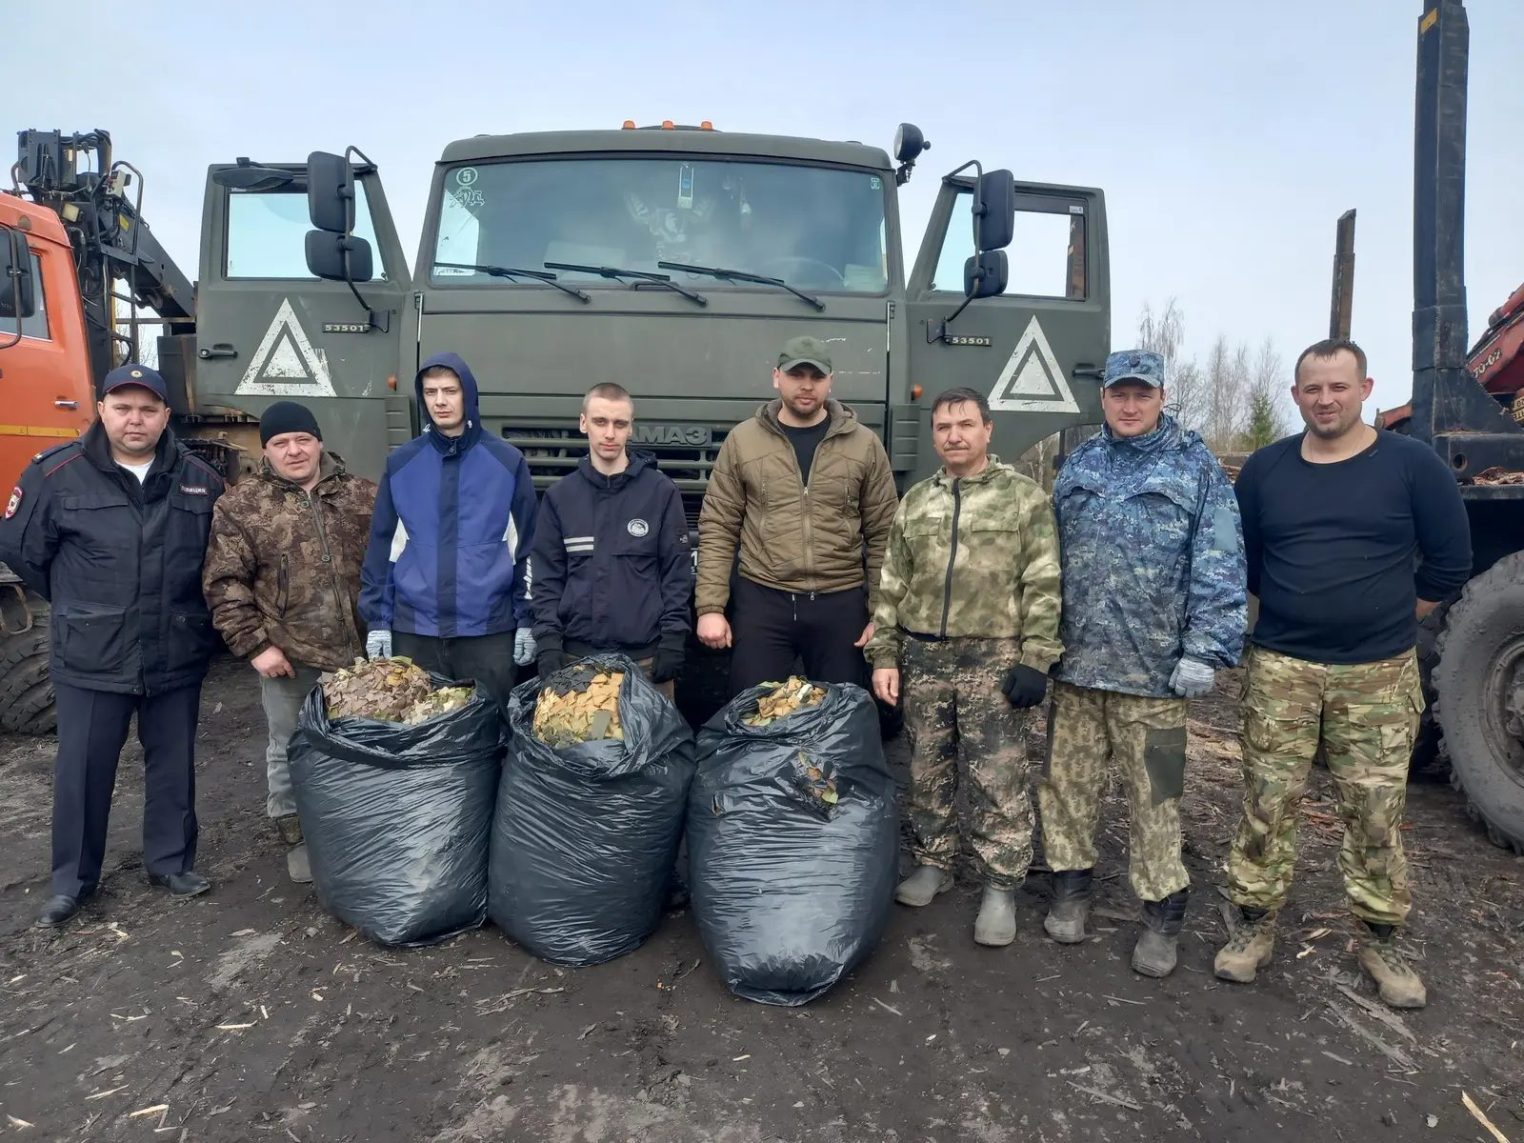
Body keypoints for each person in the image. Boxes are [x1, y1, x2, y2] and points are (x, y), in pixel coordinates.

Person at [1217, 338, 1471, 1009]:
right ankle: (1252, 925)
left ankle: (1380, 938)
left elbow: (1449, 563)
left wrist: (1383, 616)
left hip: (1377, 676)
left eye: (1339, 386)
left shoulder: (1412, 466)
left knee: (1375, 812)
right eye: (1312, 388)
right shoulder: (1267, 470)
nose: (1325, 399)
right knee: (1267, 802)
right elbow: (1248, 562)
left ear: (1366, 389)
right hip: (1281, 668)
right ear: (1295, 395)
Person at [1040, 350, 1247, 978]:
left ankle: (1160, 915)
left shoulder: (1195, 467)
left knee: (1157, 799)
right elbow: (1048, 559)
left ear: (1161, 397)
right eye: (1118, 394)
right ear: (1103, 397)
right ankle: (1070, 892)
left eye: (1142, 395)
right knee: (1066, 791)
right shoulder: (1078, 463)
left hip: (1156, 679)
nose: (1129, 406)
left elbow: (1221, 562)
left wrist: (1204, 650)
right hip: (1077, 671)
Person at [0, 365, 224, 927]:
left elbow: (217, 562)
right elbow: (24, 551)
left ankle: (170, 863)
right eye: (123, 407)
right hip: (92, 653)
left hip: (175, 647)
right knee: (83, 769)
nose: (135, 419)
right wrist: (82, 605)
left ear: (166, 417)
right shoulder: (57, 475)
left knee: (173, 763)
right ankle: (73, 881)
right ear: (101, 409)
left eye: (148, 409)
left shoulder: (199, 479)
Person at [866, 388, 1061, 947]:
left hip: (993, 656)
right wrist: (884, 653)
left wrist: (1036, 659)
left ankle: (1001, 884)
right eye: (944, 426)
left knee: (998, 774)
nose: (954, 434)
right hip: (924, 655)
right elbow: (891, 586)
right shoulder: (916, 502)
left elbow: (1044, 583)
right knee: (928, 768)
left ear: (988, 430)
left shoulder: (1025, 499)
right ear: (934, 435)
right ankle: (935, 861)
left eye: (966, 424)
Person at [203, 402, 376, 883]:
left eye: (302, 439)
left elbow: (391, 567)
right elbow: (225, 583)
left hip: (360, 656)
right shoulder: (242, 505)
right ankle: (297, 839)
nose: (294, 450)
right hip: (290, 655)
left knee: (362, 745)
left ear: (319, 441)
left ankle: (358, 831)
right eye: (281, 443)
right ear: (267, 450)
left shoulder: (362, 495)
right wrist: (256, 646)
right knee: (289, 747)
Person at [696, 335, 898, 694]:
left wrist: (881, 616)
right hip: (764, 600)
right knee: (753, 716)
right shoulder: (743, 441)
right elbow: (719, 526)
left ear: (830, 381)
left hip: (841, 601)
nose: (806, 385)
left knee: (842, 721)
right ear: (777, 377)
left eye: (816, 377)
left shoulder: (864, 444)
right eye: (796, 375)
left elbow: (885, 534)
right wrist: (710, 607)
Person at [359, 353, 538, 707]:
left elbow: (527, 549)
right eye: (430, 392)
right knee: (420, 738)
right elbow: (382, 548)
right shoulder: (402, 464)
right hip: (416, 632)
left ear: (468, 394)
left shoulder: (506, 462)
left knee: (490, 736)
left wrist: (527, 619)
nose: (440, 401)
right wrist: (378, 618)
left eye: (450, 391)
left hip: (487, 631)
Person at [530, 383, 692, 696]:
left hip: (646, 661)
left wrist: (674, 638)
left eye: (619, 424)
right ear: (583, 423)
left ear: (631, 428)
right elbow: (546, 579)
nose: (609, 433)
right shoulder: (560, 497)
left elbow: (677, 573)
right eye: (600, 422)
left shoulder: (660, 493)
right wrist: (548, 642)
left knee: (653, 747)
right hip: (576, 662)